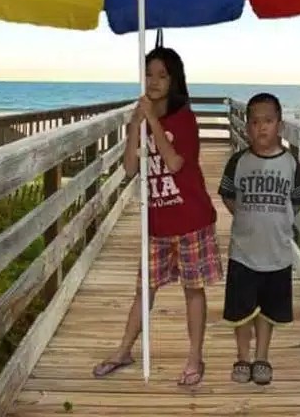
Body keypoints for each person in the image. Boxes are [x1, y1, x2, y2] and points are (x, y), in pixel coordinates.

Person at [93, 46, 223, 386]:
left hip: (191, 219)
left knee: (192, 290)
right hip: (157, 222)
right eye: (149, 74)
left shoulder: (184, 118)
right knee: (144, 290)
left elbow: (176, 162)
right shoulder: (142, 117)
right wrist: (136, 125)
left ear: (174, 80)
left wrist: (152, 120)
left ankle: (195, 357)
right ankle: (124, 350)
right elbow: (129, 167)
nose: (153, 81)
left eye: (162, 75)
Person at [218, 92, 300, 385]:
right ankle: (243, 357)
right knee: (241, 311)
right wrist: (248, 218)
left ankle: (262, 358)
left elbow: (297, 202)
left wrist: (277, 220)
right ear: (247, 128)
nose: (262, 127)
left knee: (268, 311)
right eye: (255, 122)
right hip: (243, 251)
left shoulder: (292, 164)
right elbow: (228, 196)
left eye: (268, 121)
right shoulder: (238, 162)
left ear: (279, 125)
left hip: (277, 254)